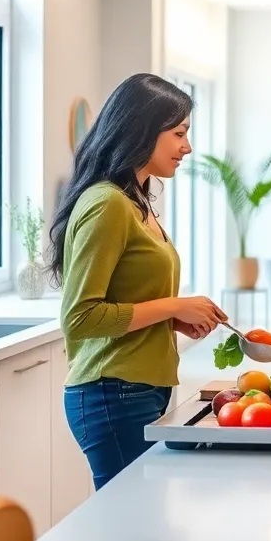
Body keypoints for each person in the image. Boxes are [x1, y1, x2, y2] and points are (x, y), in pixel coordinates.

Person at [52, 74, 228, 488]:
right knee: (131, 529)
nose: (187, 147)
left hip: (136, 390)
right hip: (112, 393)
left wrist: (172, 321)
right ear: (142, 130)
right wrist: (173, 307)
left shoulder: (134, 201)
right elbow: (80, 317)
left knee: (140, 527)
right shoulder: (107, 204)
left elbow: (123, 300)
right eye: (179, 133)